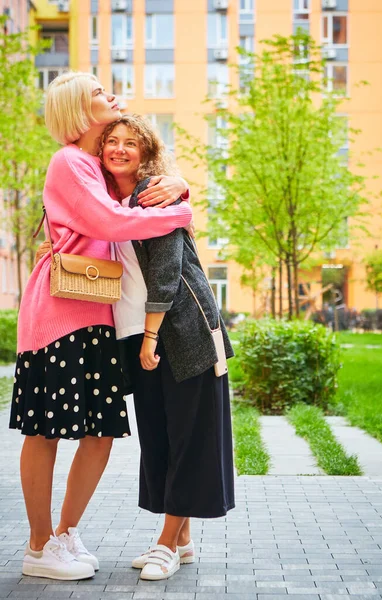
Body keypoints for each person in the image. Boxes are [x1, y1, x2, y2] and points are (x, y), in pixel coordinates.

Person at [8, 72, 192, 582]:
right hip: (59, 317)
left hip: (97, 316)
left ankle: (64, 535)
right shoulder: (68, 162)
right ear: (77, 110)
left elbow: (142, 190)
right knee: (46, 430)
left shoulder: (98, 166)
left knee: (100, 433)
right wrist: (180, 213)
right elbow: (112, 224)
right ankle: (39, 543)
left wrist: (180, 186)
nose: (109, 94)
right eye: (96, 92)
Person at [98, 115, 235, 581]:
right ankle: (183, 539)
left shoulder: (152, 194)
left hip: (180, 331)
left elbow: (167, 269)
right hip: (138, 332)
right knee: (161, 434)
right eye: (111, 141)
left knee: (188, 434)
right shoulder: (106, 201)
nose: (119, 149)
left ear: (145, 151)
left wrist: (152, 335)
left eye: (130, 143)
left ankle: (166, 543)